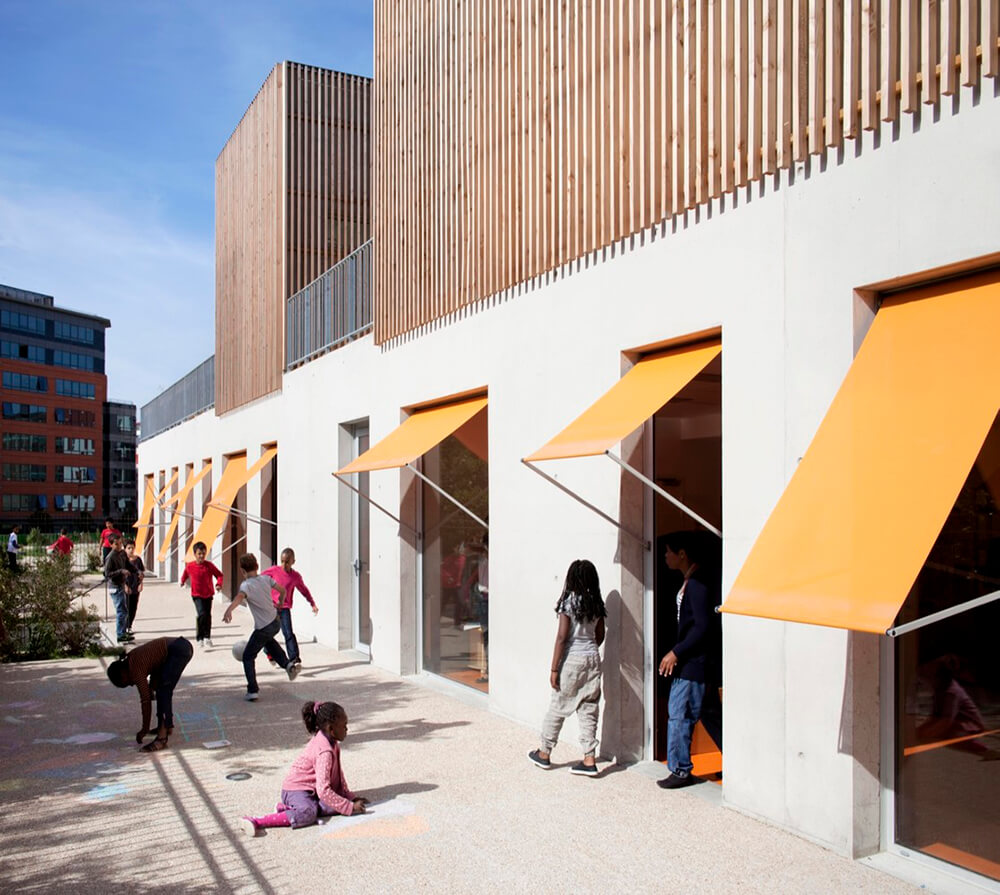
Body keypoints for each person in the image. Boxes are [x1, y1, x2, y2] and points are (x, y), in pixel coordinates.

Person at [527, 559, 607, 777]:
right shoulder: (596, 603)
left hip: (572, 659)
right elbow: (600, 635)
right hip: (593, 659)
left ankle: (544, 753)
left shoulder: (569, 602)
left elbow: (562, 637)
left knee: (558, 706)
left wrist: (554, 669)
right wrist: (590, 649)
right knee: (589, 709)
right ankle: (589, 758)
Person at [240, 700, 367, 836]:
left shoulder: (331, 741)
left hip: (311, 790)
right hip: (296, 789)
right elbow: (323, 790)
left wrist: (349, 797)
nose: (347, 729)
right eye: (344, 726)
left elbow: (338, 775)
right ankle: (257, 821)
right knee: (308, 814)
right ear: (331, 729)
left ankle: (286, 809)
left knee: (333, 804)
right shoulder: (325, 750)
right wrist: (349, 807)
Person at [656, 530, 721, 790]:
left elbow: (702, 627)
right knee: (710, 715)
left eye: (668, 552)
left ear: (681, 554)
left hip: (693, 664)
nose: (665, 557)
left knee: (679, 714)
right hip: (696, 663)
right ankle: (738, 762)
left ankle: (680, 770)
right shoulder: (691, 581)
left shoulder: (696, 584)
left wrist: (676, 652)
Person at [223, 553, 299, 701]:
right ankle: (288, 665)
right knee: (269, 642)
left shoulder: (246, 585)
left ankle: (252, 690)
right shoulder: (266, 579)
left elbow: (239, 597)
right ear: (257, 567)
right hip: (275, 622)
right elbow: (282, 590)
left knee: (248, 656)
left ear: (242, 571)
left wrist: (229, 610)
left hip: (263, 626)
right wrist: (280, 604)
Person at [106, 636, 194, 752]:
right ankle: (166, 726)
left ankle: (162, 739)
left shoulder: (135, 670)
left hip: (178, 649)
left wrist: (144, 729)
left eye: (127, 683)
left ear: (123, 674)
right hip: (180, 646)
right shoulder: (131, 658)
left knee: (163, 691)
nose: (132, 685)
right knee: (161, 689)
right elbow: (155, 664)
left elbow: (145, 701)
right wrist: (152, 687)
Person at [262, 548, 318, 669]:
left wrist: (312, 603)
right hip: (271, 607)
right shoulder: (274, 571)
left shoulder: (295, 577)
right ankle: (269, 652)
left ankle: (294, 659)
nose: (284, 564)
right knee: (266, 633)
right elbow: (259, 579)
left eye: (287, 561)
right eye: (282, 561)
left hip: (284, 609)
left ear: (293, 561)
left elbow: (304, 590)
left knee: (288, 633)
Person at [180, 541, 223, 648]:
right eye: (199, 553)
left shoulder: (209, 566)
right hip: (196, 595)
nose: (201, 556)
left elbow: (219, 575)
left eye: (203, 553)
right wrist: (182, 581)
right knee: (201, 614)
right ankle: (200, 638)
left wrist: (219, 584)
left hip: (208, 594)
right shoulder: (190, 566)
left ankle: (207, 637)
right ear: (195, 554)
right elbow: (185, 574)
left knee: (207, 615)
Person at [104, 535, 133, 644]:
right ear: (111, 545)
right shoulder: (110, 557)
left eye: (120, 543)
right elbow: (107, 574)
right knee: (121, 610)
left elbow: (128, 566)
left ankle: (123, 631)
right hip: (115, 587)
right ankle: (120, 634)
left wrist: (138, 572)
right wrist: (121, 571)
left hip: (121, 584)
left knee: (124, 610)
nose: (119, 546)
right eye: (116, 544)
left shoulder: (122, 554)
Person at [124, 539, 146, 635]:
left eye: (132, 548)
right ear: (125, 549)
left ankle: (129, 626)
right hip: (126, 587)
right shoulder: (122, 560)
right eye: (128, 548)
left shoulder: (138, 560)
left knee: (133, 607)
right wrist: (124, 586)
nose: (131, 550)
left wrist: (141, 584)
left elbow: (141, 573)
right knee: (126, 607)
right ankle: (124, 626)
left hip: (135, 586)